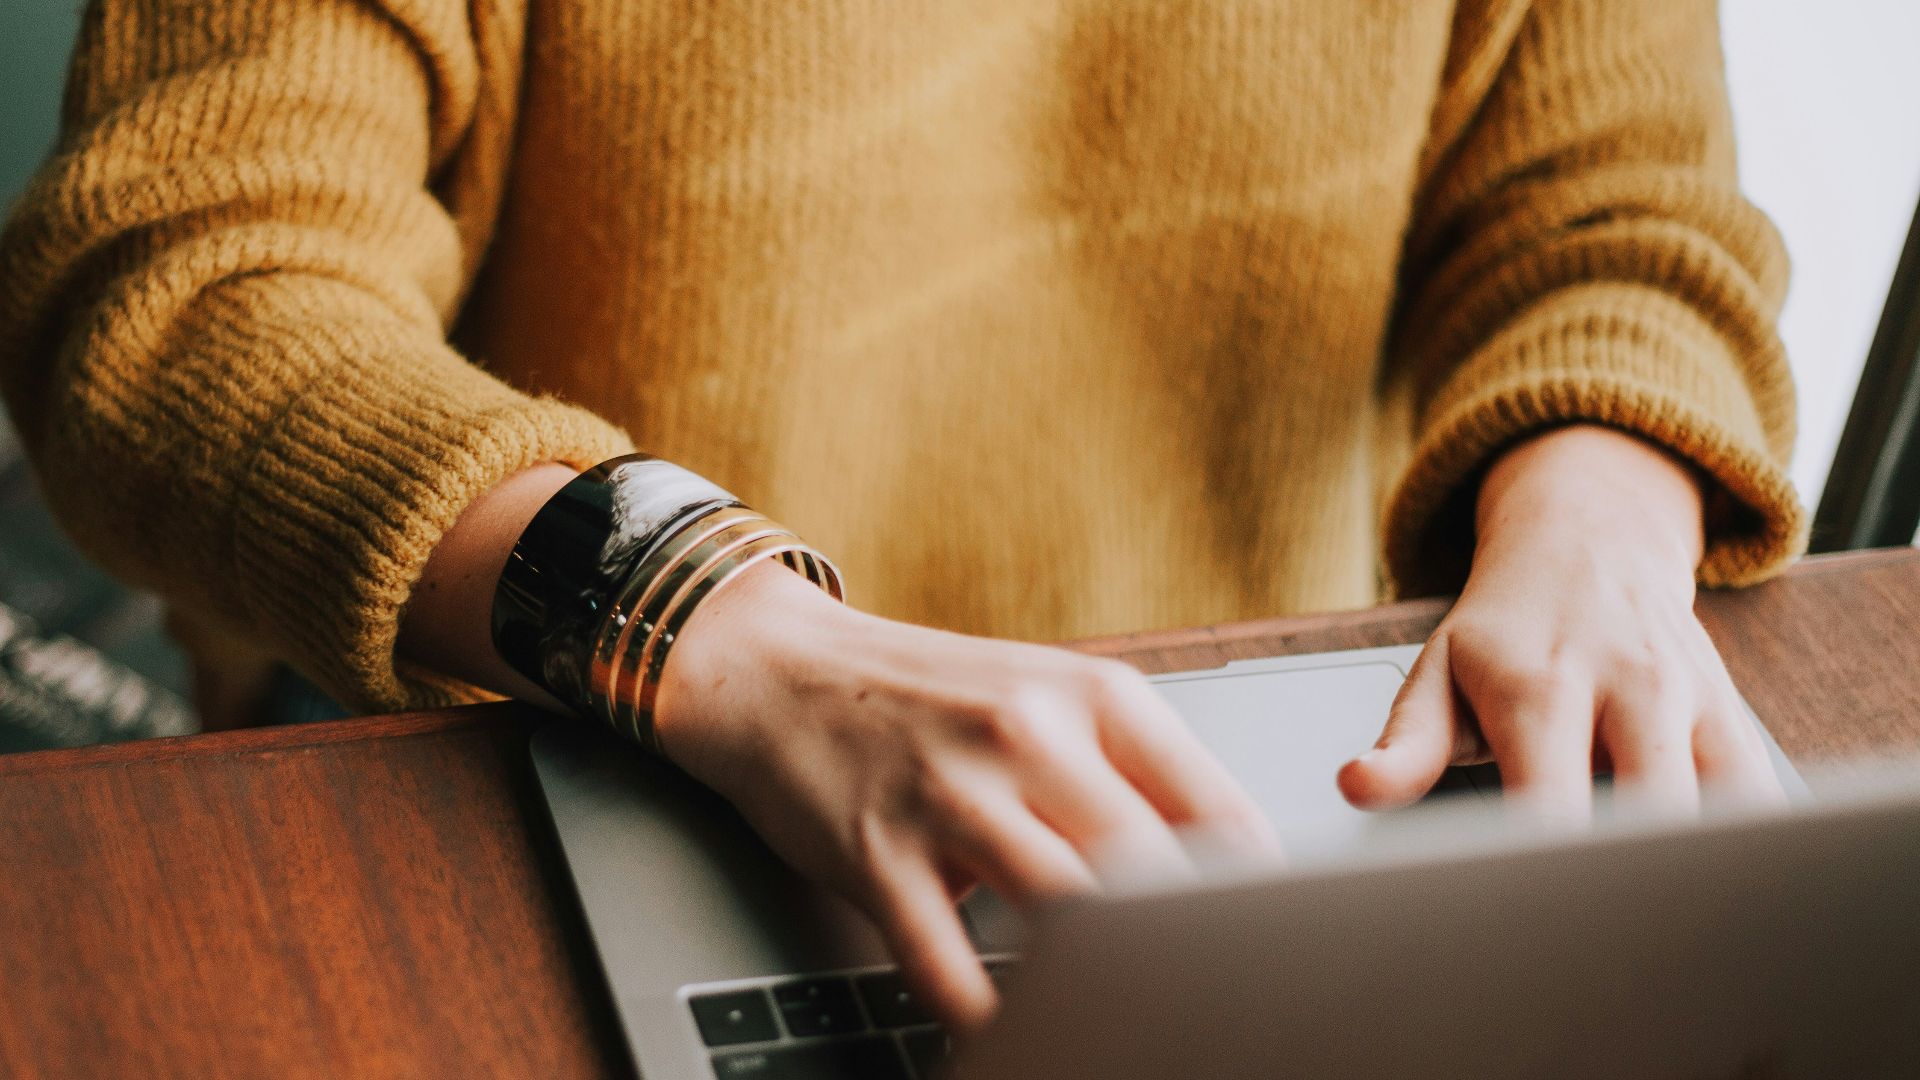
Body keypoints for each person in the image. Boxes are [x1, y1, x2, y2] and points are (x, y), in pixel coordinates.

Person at [0, 0, 1803, 1029]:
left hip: (1239, 781)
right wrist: (715, 622)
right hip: (548, 731)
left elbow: (1619, 208)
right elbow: (183, 284)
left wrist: (1603, 518)